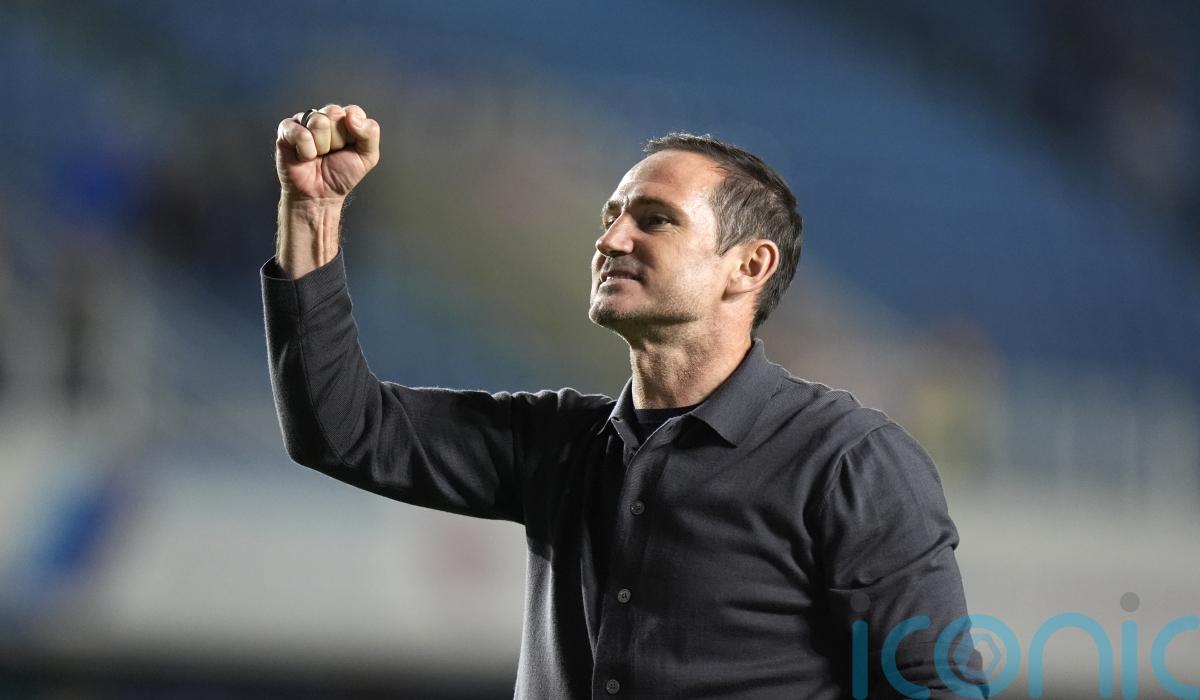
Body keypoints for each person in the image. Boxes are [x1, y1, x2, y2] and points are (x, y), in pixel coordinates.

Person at [262, 104, 989, 698]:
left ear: (749, 266)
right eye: (610, 216)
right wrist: (311, 212)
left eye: (654, 219)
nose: (610, 239)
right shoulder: (556, 444)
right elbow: (340, 426)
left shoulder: (850, 462)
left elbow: (934, 687)